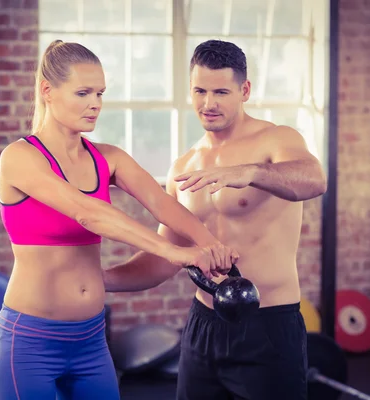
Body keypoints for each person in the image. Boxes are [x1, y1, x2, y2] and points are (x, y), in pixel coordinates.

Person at [0, 39, 239, 400]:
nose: (95, 104)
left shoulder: (108, 157)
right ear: (47, 91)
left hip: (90, 341)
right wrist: (175, 252)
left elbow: (163, 203)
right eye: (83, 93)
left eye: (100, 94)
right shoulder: (20, 158)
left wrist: (208, 243)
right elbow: (89, 213)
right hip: (30, 341)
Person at [103, 39, 328, 400]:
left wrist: (249, 172)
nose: (209, 103)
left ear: (245, 91)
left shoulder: (276, 140)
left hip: (267, 325)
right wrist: (97, 281)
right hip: (204, 325)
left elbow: (314, 179)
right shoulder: (185, 167)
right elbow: (163, 259)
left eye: (221, 91)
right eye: (200, 91)